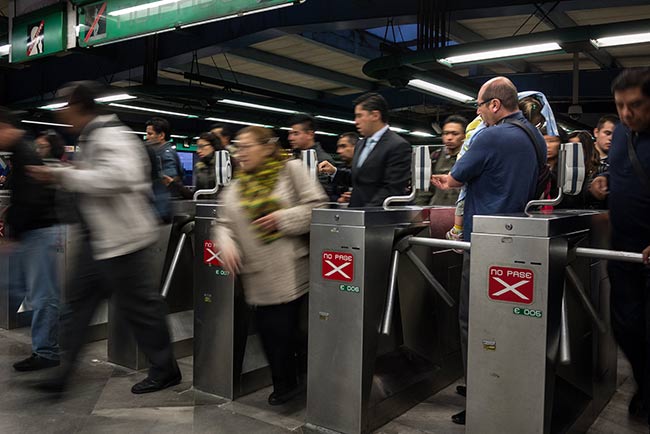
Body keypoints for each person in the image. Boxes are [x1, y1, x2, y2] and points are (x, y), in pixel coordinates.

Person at [27, 81, 181, 394]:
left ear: (79, 106)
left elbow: (121, 177)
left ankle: (166, 370)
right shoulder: (92, 136)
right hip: (98, 240)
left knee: (141, 310)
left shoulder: (113, 134)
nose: (61, 113)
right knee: (78, 307)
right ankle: (62, 375)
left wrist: (62, 175)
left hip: (123, 241)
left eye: (64, 106)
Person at [431, 77, 545, 425]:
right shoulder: (535, 137)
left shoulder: (490, 135)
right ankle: (505, 390)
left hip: (485, 241)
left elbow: (457, 178)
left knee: (474, 321)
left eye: (479, 106)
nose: (478, 113)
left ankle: (481, 394)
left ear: (495, 105)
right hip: (521, 239)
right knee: (509, 323)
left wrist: (445, 180)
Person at [215, 126, 326, 406]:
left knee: (291, 334)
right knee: (271, 334)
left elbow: (319, 206)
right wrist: (225, 242)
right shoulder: (237, 185)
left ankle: (299, 387)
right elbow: (223, 224)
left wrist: (282, 218)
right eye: (238, 147)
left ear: (266, 147)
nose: (241, 153)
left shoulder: (291, 171)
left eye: (247, 147)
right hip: (257, 274)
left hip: (292, 270)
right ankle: (287, 386)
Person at [589, 67, 650, 425]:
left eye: (637, 105)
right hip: (623, 251)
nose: (627, 114)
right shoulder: (625, 134)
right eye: (620, 106)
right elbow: (621, 172)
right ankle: (645, 385)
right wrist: (603, 180)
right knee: (625, 327)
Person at [0, 108, 61, 372]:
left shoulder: (26, 153)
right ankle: (49, 340)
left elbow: (33, 199)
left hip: (38, 232)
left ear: (9, 128)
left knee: (42, 294)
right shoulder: (19, 152)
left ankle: (46, 351)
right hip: (30, 233)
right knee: (15, 288)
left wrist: (14, 230)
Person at [320, 92, 411, 208]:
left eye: (359, 116)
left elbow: (392, 188)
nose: (356, 121)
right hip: (357, 215)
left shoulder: (398, 146)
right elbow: (360, 178)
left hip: (378, 219)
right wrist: (334, 172)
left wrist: (366, 213)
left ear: (375, 115)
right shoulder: (361, 144)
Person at [288, 114, 335, 200]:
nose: (290, 138)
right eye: (290, 134)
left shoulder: (323, 160)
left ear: (310, 134)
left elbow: (322, 193)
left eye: (296, 133)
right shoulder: (294, 158)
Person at [427, 115, 467, 206]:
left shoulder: (470, 157)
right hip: (436, 209)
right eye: (445, 133)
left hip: (460, 210)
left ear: (464, 136)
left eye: (455, 134)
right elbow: (426, 189)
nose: (449, 137)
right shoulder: (435, 156)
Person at [317, 132, 357, 203]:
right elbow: (328, 193)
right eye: (338, 147)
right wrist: (338, 199)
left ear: (356, 147)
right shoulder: (336, 169)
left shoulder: (365, 169)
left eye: (343, 146)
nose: (338, 151)